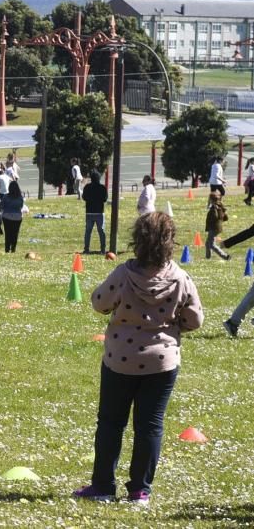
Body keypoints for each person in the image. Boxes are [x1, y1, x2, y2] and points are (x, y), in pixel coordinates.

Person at [73, 212, 203, 505]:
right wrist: (172, 327)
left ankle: (103, 486)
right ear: (170, 242)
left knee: (110, 422)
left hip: (121, 359)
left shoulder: (124, 274)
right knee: (150, 426)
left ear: (138, 240)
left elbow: (99, 302)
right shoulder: (180, 277)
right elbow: (195, 319)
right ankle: (140, 490)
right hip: (162, 361)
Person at [83, 170, 108, 254]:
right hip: (99, 212)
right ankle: (103, 249)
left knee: (88, 231)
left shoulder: (87, 187)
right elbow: (105, 199)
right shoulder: (102, 188)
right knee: (101, 231)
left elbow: (84, 197)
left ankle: (86, 249)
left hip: (89, 212)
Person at [0, 181, 29, 253]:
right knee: (15, 233)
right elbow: (21, 206)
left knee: (7, 233)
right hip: (17, 217)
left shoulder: (6, 196)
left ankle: (7, 248)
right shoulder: (20, 197)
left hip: (7, 216)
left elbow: (2, 206)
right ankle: (13, 248)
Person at [204, 191, 230, 260]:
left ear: (211, 200)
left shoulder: (214, 208)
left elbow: (215, 217)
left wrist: (213, 211)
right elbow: (225, 218)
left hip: (213, 228)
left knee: (212, 244)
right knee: (207, 243)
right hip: (217, 228)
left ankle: (225, 256)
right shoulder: (220, 206)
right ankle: (207, 257)